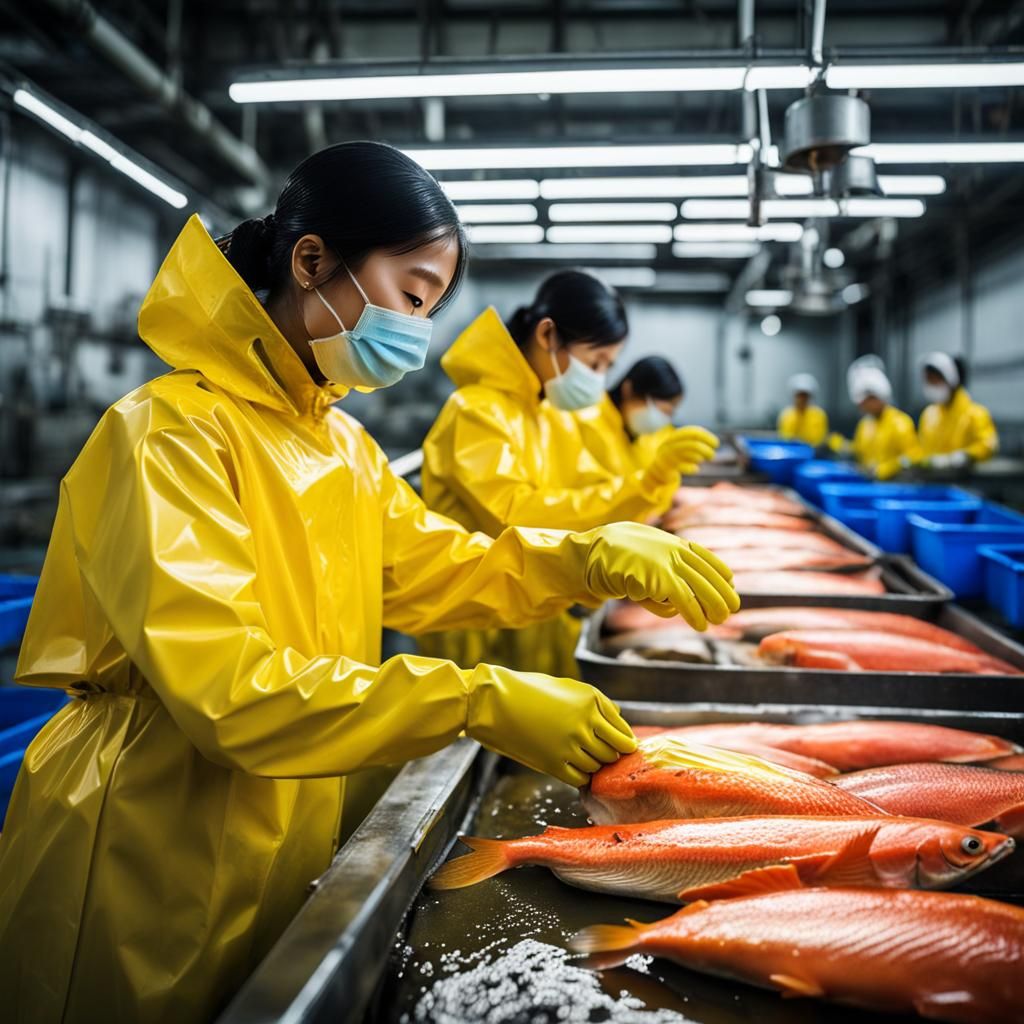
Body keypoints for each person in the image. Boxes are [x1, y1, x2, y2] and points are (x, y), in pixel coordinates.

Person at [0, 143, 739, 1023]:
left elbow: (433, 565)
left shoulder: (340, 447)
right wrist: (473, 698)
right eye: (413, 294)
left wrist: (575, 559)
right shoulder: (168, 436)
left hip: (292, 812)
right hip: (148, 846)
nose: (418, 333)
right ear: (312, 261)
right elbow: (230, 691)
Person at [420, 270, 728, 676]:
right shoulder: (476, 412)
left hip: (540, 614)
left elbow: (589, 490)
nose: (600, 379)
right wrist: (638, 490)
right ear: (548, 335)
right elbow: (518, 516)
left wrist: (649, 486)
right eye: (595, 362)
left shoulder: (549, 414)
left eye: (607, 366)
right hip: (481, 624)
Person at [576, 355, 686, 477]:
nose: (663, 420)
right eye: (661, 411)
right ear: (629, 389)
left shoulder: (657, 435)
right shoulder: (586, 420)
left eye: (669, 414)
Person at [829, 357, 918, 480]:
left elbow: (912, 457)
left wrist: (886, 469)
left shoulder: (900, 423)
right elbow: (859, 450)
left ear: (877, 397)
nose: (863, 407)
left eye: (866, 402)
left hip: (895, 485)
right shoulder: (865, 424)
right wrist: (840, 445)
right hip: (871, 485)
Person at [918, 352, 998, 470]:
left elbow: (988, 445)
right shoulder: (928, 415)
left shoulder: (976, 414)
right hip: (933, 481)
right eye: (928, 381)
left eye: (935, 380)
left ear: (950, 380)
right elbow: (922, 449)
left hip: (965, 482)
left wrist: (965, 456)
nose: (931, 386)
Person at [777, 372, 829, 446]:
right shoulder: (786, 415)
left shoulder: (819, 415)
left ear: (810, 397)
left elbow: (820, 440)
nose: (801, 399)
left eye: (805, 395)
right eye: (799, 395)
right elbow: (784, 439)